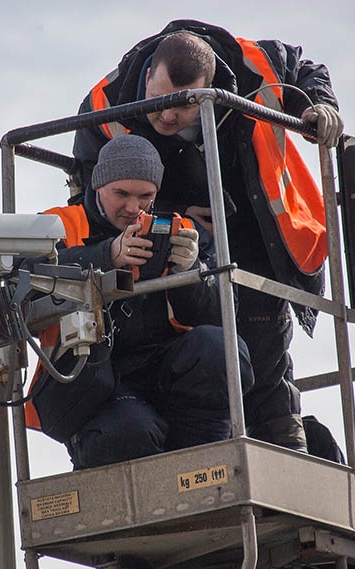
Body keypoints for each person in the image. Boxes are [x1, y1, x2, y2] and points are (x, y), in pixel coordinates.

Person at [71, 20, 344, 453]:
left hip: (254, 228)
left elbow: (305, 68)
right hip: (171, 237)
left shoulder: (252, 64)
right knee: (196, 340)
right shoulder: (106, 102)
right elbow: (95, 192)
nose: (165, 115)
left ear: (210, 84)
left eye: (181, 107)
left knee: (259, 339)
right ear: (146, 76)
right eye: (158, 100)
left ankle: (284, 442)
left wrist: (320, 107)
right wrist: (168, 216)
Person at [23, 134, 254, 470]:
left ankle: (202, 469)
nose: (133, 208)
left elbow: (225, 313)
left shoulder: (181, 230)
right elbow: (21, 279)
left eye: (145, 197)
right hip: (94, 383)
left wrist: (190, 271)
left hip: (162, 369)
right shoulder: (58, 224)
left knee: (219, 348)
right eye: (122, 194)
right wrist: (106, 256)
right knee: (129, 432)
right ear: (99, 185)